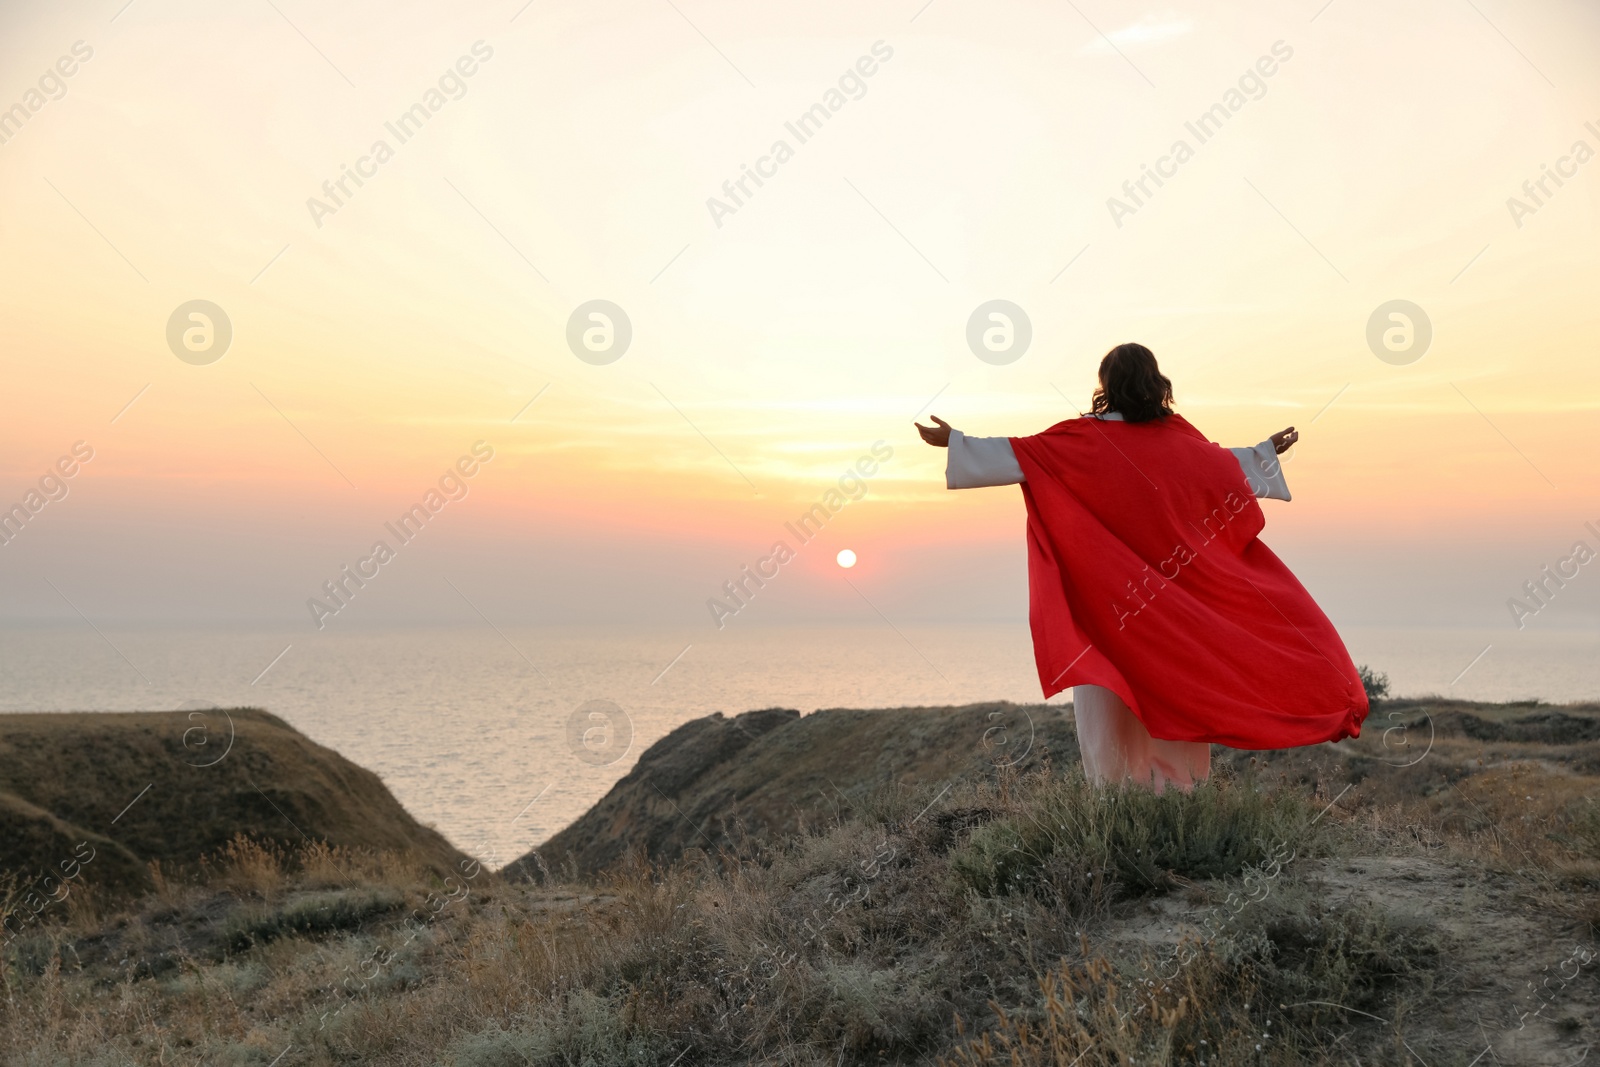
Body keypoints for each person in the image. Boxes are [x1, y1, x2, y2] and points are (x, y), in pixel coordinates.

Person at [916, 342, 1367, 793]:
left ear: (1105, 386)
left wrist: (956, 441)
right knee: (1177, 703)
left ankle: (1114, 808)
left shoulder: (1079, 441)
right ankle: (1178, 805)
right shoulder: (1180, 443)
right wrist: (1263, 453)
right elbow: (1224, 466)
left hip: (1109, 614)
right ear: (1156, 382)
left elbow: (1016, 454)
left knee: (1107, 719)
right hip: (1174, 618)